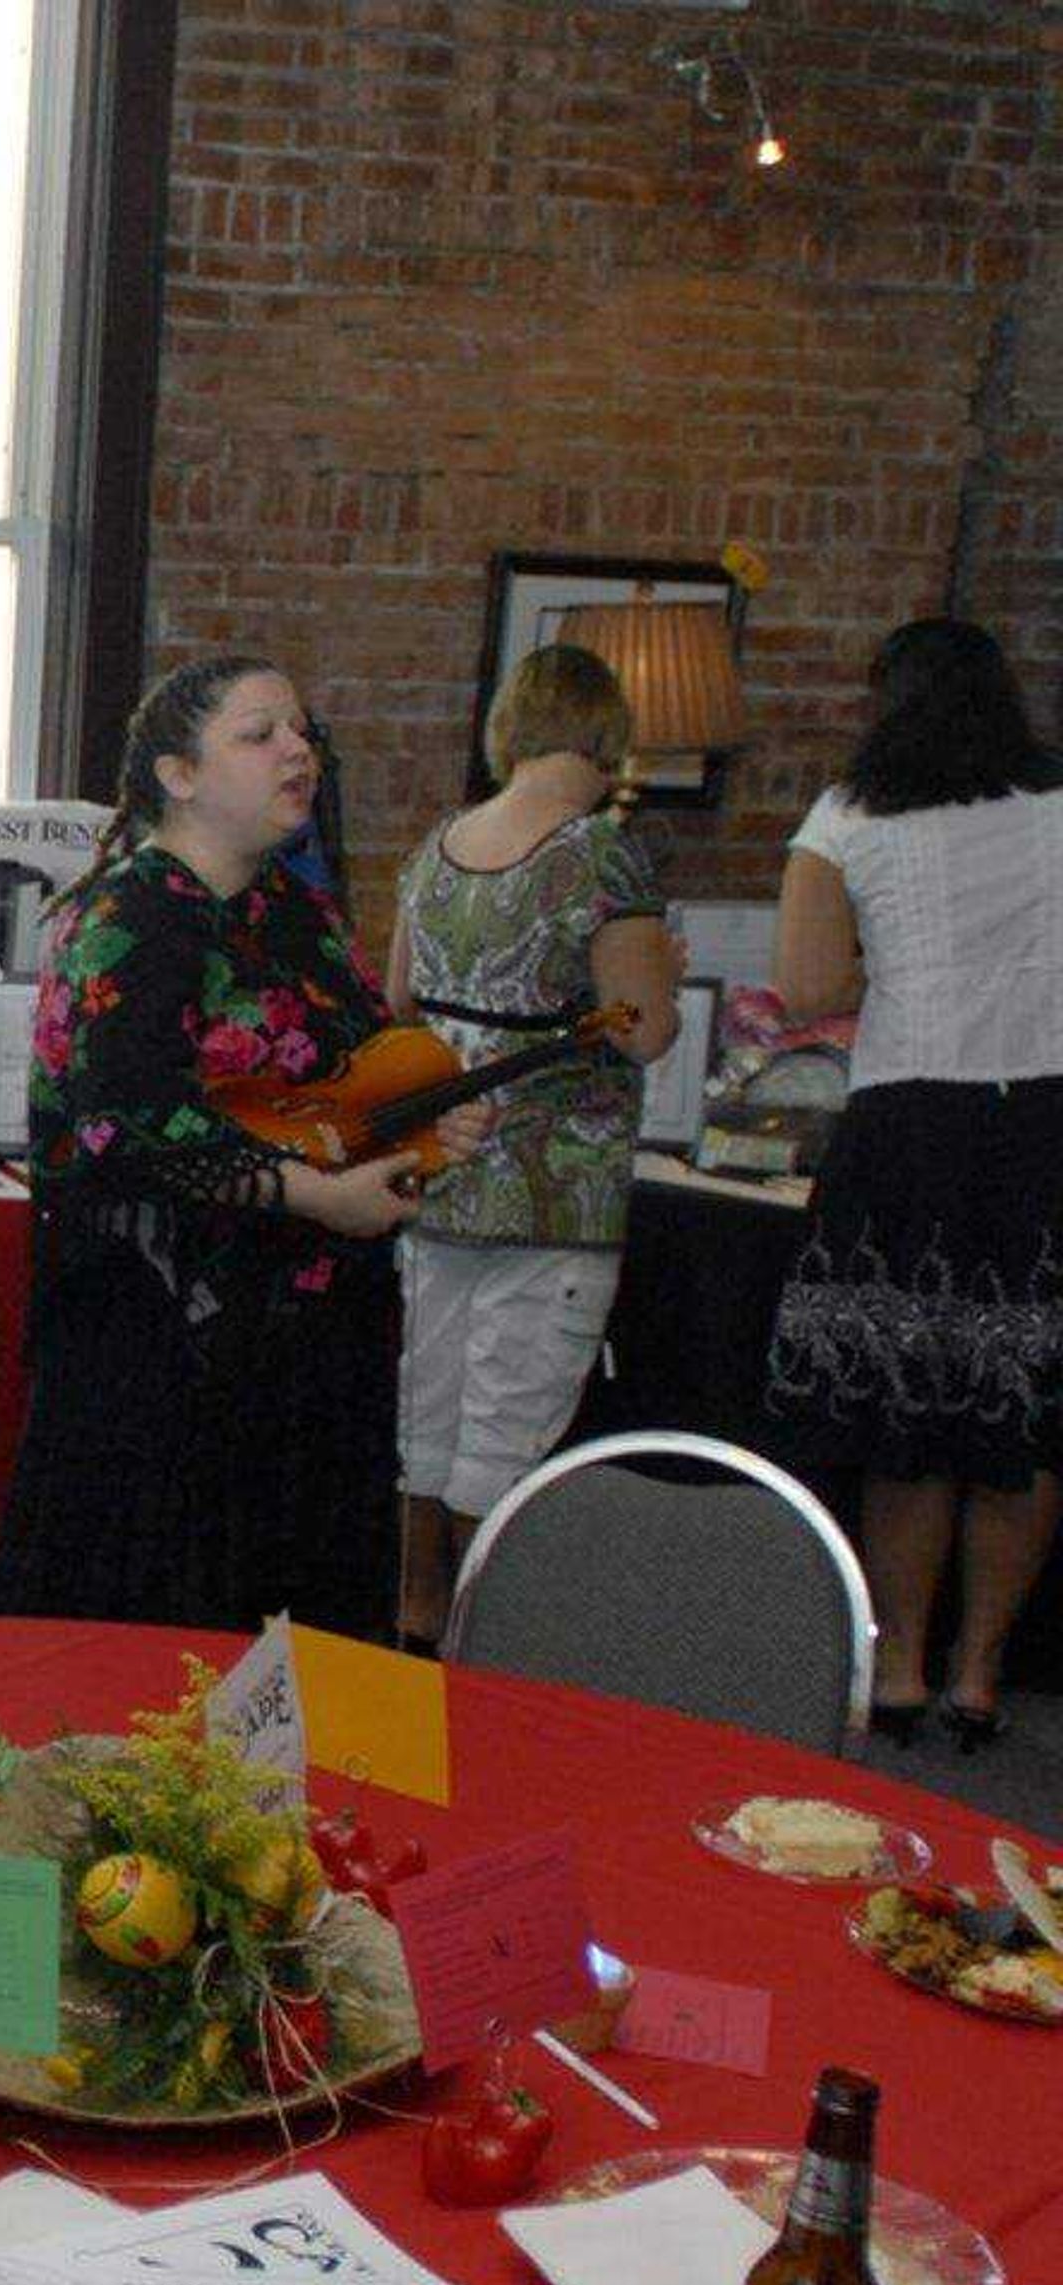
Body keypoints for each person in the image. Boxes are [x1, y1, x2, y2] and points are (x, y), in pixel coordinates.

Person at [0, 654, 472, 1638]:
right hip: (165, 1353)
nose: (298, 750)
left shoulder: (301, 913)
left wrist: (420, 1122)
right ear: (179, 774)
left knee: (305, 1653)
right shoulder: (124, 916)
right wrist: (313, 1195)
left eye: (301, 731)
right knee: (156, 1656)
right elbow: (126, 1122)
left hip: (312, 1354)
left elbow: (351, 1081)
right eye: (260, 734)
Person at [765, 618, 1063, 1751]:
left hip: (913, 1119)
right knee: (1021, 1404)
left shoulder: (850, 814)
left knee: (910, 1401)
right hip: (1047, 1115)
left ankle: (897, 1664)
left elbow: (804, 984)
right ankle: (981, 1674)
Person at [386, 644, 686, 1646]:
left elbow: (394, 1010)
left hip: (437, 1179)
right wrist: (666, 972)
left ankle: (411, 1614)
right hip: (555, 1193)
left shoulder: (437, 846)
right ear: (605, 736)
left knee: (421, 1423)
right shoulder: (600, 854)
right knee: (504, 1432)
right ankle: (483, 1639)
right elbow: (640, 1028)